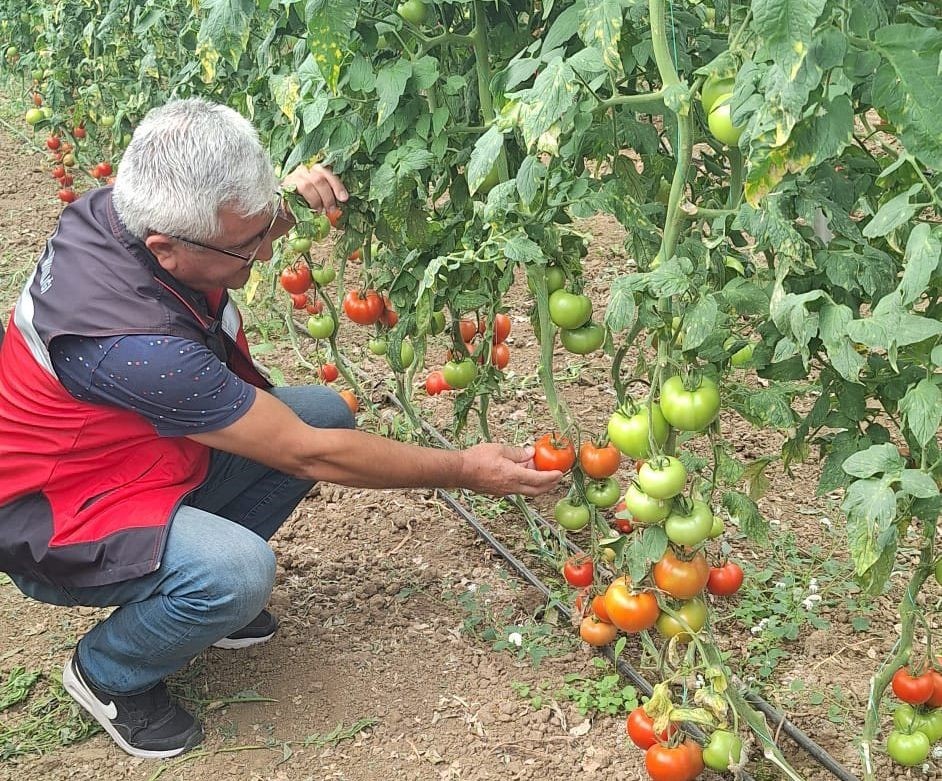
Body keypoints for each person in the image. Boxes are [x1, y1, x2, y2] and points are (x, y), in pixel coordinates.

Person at [0, 98, 562, 760]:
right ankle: (110, 670)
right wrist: (466, 470)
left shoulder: (126, 209)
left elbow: (308, 423)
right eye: (250, 243)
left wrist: (279, 196)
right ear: (167, 249)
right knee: (239, 570)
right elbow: (311, 455)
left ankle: (195, 602)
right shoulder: (138, 348)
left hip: (131, 457)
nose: (268, 251)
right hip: (58, 517)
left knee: (323, 407)